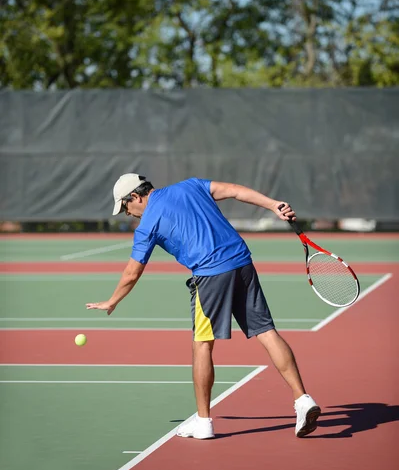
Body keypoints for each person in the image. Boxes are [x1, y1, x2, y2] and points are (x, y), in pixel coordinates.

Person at [86, 174, 320, 439]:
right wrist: (273, 204)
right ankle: (303, 400)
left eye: (126, 208)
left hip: (210, 276)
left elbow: (132, 273)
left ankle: (204, 422)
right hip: (242, 262)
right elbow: (234, 190)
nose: (129, 214)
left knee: (202, 344)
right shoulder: (190, 186)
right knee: (266, 332)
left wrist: (112, 300)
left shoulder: (146, 225)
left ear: (136, 197)